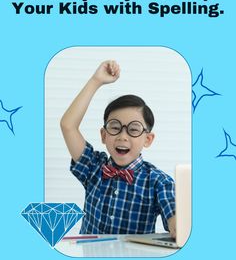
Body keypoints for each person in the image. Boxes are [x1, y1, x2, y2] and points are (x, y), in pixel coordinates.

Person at [60, 60, 176, 236]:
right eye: (115, 127)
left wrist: (178, 223)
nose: (123, 136)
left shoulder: (159, 182)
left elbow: (176, 220)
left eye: (134, 129)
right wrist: (96, 80)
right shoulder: (93, 166)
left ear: (148, 139)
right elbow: (68, 125)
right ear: (103, 135)